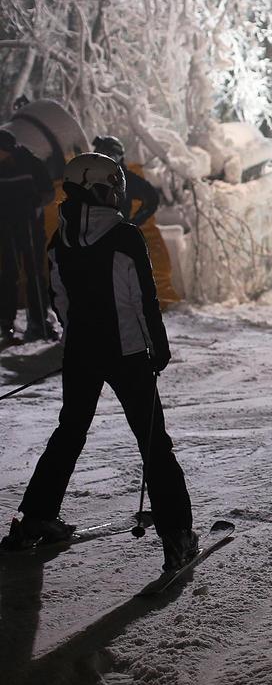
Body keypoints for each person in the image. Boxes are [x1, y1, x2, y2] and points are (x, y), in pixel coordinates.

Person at [0, 153, 198, 570]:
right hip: (126, 353)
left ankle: (33, 519)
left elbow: (61, 301)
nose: (116, 196)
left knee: (69, 432)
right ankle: (177, 534)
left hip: (82, 354)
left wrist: (80, 340)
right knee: (153, 444)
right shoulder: (125, 237)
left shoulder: (60, 240)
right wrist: (156, 348)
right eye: (110, 188)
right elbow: (142, 300)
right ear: (93, 187)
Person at [90, 135, 179, 308]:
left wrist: (135, 221)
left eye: (104, 154)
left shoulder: (126, 179)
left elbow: (152, 198)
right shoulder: (90, 179)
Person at [0, 130, 56, 342]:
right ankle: (6, 325)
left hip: (30, 227)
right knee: (9, 274)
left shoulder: (31, 163)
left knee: (34, 273)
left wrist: (36, 206)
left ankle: (39, 322)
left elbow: (48, 192)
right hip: (6, 228)